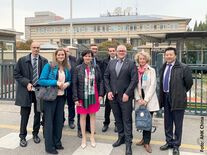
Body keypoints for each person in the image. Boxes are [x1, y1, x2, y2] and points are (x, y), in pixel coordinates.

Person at [104, 45, 138, 155]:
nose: (121, 52)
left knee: (127, 120)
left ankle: (128, 143)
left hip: (125, 97)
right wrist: (108, 91)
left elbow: (134, 80)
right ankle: (121, 138)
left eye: (123, 51)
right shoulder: (111, 63)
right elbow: (106, 77)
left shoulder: (131, 63)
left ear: (126, 52)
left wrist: (127, 93)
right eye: (119, 51)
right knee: (118, 119)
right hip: (113, 96)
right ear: (117, 52)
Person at [159, 47, 193, 155]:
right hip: (165, 96)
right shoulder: (163, 66)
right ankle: (169, 142)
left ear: (175, 55)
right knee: (167, 122)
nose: (168, 56)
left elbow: (189, 83)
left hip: (178, 98)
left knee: (178, 123)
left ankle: (176, 145)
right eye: (166, 55)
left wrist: (180, 92)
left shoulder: (183, 67)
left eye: (170, 54)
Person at [14, 42, 48, 147]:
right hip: (25, 91)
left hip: (38, 90)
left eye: (38, 47)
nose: (36, 49)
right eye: (34, 47)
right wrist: (27, 82)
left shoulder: (44, 61)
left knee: (38, 114)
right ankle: (22, 136)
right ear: (30, 48)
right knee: (25, 115)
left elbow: (46, 75)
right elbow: (16, 74)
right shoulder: (22, 60)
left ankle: (35, 134)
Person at [38, 48, 71, 154]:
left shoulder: (67, 67)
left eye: (63, 54)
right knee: (49, 122)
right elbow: (41, 80)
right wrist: (56, 82)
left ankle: (57, 142)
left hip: (61, 97)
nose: (61, 56)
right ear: (55, 55)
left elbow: (69, 80)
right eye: (59, 54)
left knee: (58, 121)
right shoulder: (49, 66)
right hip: (50, 98)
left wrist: (67, 84)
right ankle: (49, 146)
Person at [73, 50, 104, 149]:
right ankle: (83, 138)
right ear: (83, 57)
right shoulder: (78, 69)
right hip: (82, 96)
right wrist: (76, 98)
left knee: (93, 116)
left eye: (89, 56)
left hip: (94, 95)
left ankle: (92, 137)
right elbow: (74, 84)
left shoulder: (96, 67)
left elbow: (100, 81)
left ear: (92, 57)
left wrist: (101, 95)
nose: (88, 58)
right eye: (86, 56)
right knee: (82, 117)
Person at [134, 51, 160, 153]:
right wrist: (138, 99)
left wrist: (146, 100)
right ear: (138, 60)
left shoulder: (151, 70)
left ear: (147, 60)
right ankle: (143, 139)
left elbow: (153, 86)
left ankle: (147, 142)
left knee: (147, 122)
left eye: (144, 59)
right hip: (139, 100)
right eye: (140, 59)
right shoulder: (136, 71)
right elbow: (134, 86)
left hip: (149, 100)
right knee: (142, 120)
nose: (142, 61)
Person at [102, 45, 118, 132]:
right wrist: (107, 89)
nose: (112, 52)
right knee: (107, 107)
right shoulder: (104, 61)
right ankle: (106, 123)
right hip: (108, 88)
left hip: (117, 88)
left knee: (117, 108)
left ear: (115, 51)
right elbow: (104, 75)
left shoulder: (119, 61)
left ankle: (117, 124)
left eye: (113, 50)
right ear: (108, 52)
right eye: (110, 51)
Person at [63, 47, 77, 129]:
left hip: (71, 86)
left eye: (67, 51)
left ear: (69, 53)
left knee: (71, 105)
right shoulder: (59, 61)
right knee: (61, 105)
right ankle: (61, 120)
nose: (66, 53)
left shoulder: (74, 60)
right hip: (61, 86)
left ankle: (71, 120)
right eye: (64, 51)